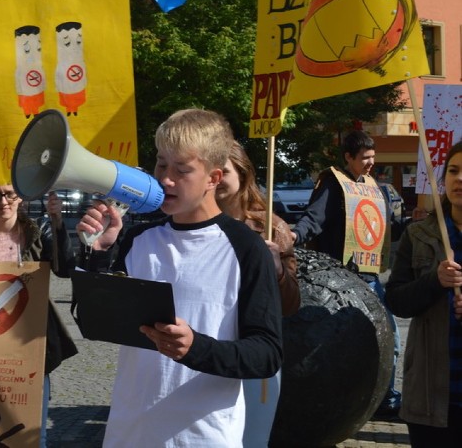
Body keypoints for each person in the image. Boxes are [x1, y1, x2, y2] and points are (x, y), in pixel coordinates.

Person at [78, 108, 282, 447]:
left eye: (181, 169)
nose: (165, 179)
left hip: (204, 437)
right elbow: (93, 321)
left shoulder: (247, 248)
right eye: (161, 164)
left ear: (214, 178)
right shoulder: (136, 239)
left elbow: (267, 354)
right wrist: (98, 254)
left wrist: (196, 347)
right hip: (130, 433)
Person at [290, 130, 402, 415]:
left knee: (389, 341)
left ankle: (385, 399)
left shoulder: (375, 187)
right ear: (348, 158)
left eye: (373, 158)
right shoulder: (332, 185)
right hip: (340, 281)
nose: (370, 164)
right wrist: (293, 236)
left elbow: (385, 230)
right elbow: (313, 220)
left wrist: (410, 224)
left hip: (371, 278)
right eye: (364, 158)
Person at [0, 187, 78, 448]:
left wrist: (57, 222)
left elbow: (65, 269)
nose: (3, 202)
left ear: (21, 196)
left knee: (32, 437)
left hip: (30, 349)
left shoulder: (39, 234)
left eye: (10, 194)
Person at [215, 140, 299, 448]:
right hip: (205, 351)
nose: (216, 179)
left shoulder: (271, 228)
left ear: (243, 174)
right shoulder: (188, 224)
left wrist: (276, 268)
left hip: (252, 359)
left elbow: (290, 305)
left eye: (223, 171)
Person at [385, 141, 462, 447]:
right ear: (443, 180)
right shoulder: (419, 234)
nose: (460, 179)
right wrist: (434, 281)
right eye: (454, 171)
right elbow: (397, 301)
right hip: (432, 395)